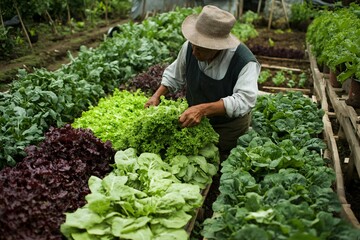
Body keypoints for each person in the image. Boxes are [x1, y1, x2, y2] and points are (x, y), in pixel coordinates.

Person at [144, 5, 261, 161]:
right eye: (193, 45)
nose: (193, 52)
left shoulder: (244, 62)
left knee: (222, 164)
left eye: (200, 49)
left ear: (218, 47)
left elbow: (244, 100)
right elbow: (175, 74)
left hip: (228, 128)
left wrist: (202, 110)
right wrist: (156, 96)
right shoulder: (191, 46)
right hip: (196, 123)